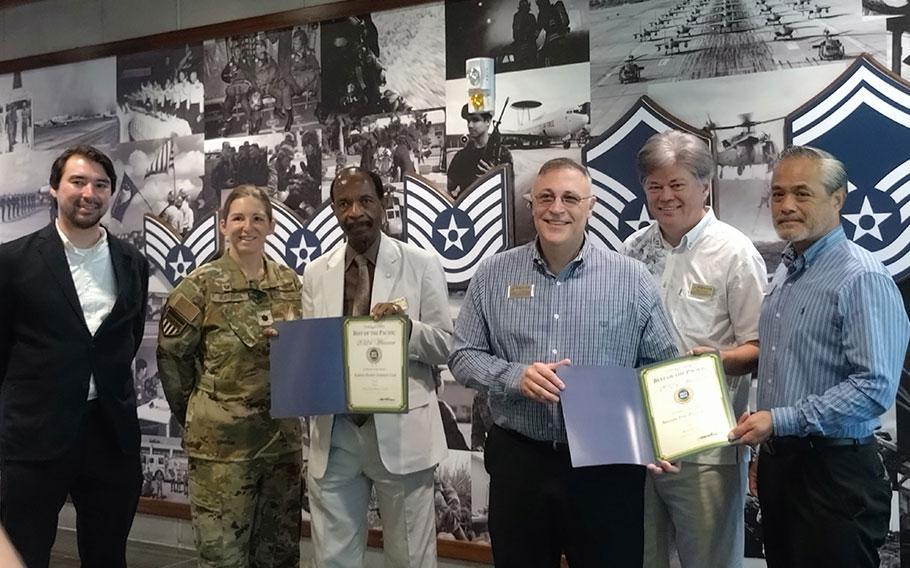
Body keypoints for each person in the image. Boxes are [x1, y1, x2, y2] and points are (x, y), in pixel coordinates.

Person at [448, 157, 679, 567]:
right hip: (521, 462)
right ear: (531, 203)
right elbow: (462, 355)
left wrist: (659, 434)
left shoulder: (632, 279)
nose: (557, 208)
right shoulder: (492, 274)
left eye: (571, 198)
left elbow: (662, 367)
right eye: (546, 197)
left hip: (607, 467)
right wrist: (513, 377)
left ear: (590, 206)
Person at [729, 146, 910, 568]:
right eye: (777, 194)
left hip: (834, 475)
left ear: (838, 198)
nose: (786, 206)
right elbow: (794, 356)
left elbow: (874, 388)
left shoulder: (860, 277)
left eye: (801, 193)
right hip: (784, 468)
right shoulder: (788, 270)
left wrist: (781, 420)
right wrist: (729, 361)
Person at [0, 145, 149, 568]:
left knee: (107, 554)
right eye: (78, 182)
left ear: (111, 194)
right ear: (54, 188)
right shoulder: (13, 261)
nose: (89, 193)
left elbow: (127, 341)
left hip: (110, 435)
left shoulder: (132, 262)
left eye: (101, 185)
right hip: (35, 434)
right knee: (24, 553)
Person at [623, 131, 767, 568]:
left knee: (710, 561)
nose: (665, 196)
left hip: (706, 449)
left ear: (704, 185)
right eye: (654, 186)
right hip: (640, 445)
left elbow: (760, 348)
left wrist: (718, 360)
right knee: (644, 559)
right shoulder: (632, 250)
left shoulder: (735, 253)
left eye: (677, 184)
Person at [302, 166, 451, 568]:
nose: (355, 212)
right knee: (332, 558)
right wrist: (291, 355)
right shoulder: (316, 273)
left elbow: (446, 345)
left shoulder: (420, 264)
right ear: (334, 210)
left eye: (366, 200)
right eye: (344, 203)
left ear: (384, 205)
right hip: (334, 437)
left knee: (409, 558)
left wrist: (406, 332)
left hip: (401, 434)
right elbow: (316, 351)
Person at [157, 185, 304, 568]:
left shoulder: (291, 285)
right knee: (224, 559)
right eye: (237, 218)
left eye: (257, 218)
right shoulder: (198, 287)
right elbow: (173, 362)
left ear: (271, 226)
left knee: (279, 557)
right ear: (223, 225)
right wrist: (203, 414)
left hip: (281, 448)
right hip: (221, 453)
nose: (247, 227)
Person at [447, 104, 513, 198]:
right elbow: (449, 188)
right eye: (468, 121)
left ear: (488, 121)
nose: (470, 125)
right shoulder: (461, 157)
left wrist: (496, 178)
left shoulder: (502, 154)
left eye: (475, 120)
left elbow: (508, 192)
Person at [512, 0, 538, 66]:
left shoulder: (517, 16)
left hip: (523, 47)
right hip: (528, 47)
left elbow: (515, 33)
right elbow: (536, 31)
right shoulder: (530, 17)